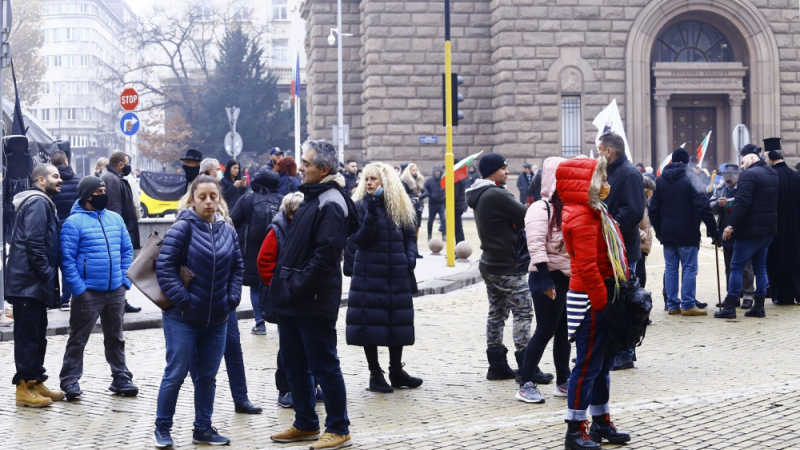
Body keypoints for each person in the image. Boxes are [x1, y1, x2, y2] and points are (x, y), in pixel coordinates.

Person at [268, 140, 358, 450]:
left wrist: (296, 286)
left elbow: (326, 255)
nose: (300, 166)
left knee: (323, 364)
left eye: (306, 163)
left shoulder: (331, 202)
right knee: (293, 363)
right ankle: (305, 422)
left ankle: (339, 427)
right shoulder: (313, 196)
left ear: (324, 169)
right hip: (295, 297)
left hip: (314, 298)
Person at [153, 175, 244, 447]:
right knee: (176, 372)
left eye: (213, 196)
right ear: (192, 199)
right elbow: (165, 268)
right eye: (202, 197)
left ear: (219, 199)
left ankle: (202, 428)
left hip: (218, 318)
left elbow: (237, 268)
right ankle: (162, 428)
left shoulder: (228, 230)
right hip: (182, 318)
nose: (208, 202)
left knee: (207, 376)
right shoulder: (183, 227)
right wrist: (185, 300)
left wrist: (232, 298)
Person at [557, 156, 631, 450]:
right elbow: (587, 267)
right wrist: (603, 305)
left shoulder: (590, 211)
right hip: (591, 299)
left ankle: (600, 422)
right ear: (585, 183)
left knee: (600, 366)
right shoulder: (584, 215)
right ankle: (575, 431)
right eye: (601, 178)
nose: (607, 184)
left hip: (598, 295)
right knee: (587, 367)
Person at [344, 162, 422, 393]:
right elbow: (359, 239)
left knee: (396, 321)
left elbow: (410, 236)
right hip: (369, 274)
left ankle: (396, 370)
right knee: (370, 323)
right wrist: (372, 211)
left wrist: (409, 258)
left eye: (373, 179)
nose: (368, 183)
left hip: (397, 273)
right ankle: (375, 374)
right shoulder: (360, 206)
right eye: (366, 179)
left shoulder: (400, 206)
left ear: (385, 182)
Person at [59, 176, 138, 401]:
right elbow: (67, 260)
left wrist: (124, 281)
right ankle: (70, 380)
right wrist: (79, 289)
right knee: (78, 338)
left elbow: (126, 251)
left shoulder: (115, 219)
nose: (104, 193)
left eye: (104, 189)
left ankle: (121, 376)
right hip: (88, 292)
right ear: (87, 195)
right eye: (99, 190)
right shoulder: (73, 223)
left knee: (116, 336)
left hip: (115, 290)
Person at [466, 153, 532, 381]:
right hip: (506, 265)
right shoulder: (495, 193)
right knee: (523, 311)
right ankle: (527, 367)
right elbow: (526, 214)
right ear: (492, 171)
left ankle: (497, 366)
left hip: (490, 263)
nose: (507, 172)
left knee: (497, 313)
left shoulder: (480, 192)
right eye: (503, 168)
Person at [6, 163, 64, 407]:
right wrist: (47, 274)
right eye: (55, 176)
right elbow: (34, 242)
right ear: (41, 180)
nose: (60, 180)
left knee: (38, 335)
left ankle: (35, 380)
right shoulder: (38, 202)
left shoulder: (42, 202)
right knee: (29, 337)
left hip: (32, 283)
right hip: (28, 283)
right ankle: (23, 387)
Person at [518, 157, 569, 404]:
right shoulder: (540, 208)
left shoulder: (566, 207)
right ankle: (525, 383)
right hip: (544, 277)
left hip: (566, 277)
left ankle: (563, 381)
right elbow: (536, 246)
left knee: (563, 332)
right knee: (545, 330)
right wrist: (547, 281)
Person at [649, 147, 718, 317]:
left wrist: (659, 231)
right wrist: (714, 230)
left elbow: (653, 210)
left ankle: (673, 304)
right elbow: (703, 206)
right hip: (688, 232)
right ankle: (687, 304)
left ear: (672, 161)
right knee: (689, 268)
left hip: (668, 233)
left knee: (671, 268)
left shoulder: (661, 180)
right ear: (687, 161)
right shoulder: (691, 178)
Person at [596, 132, 644, 370]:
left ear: (608, 151)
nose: (597, 155)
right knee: (610, 304)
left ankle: (626, 351)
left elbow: (634, 211)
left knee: (625, 302)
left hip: (623, 249)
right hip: (606, 247)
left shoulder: (630, 173)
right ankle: (610, 349)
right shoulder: (607, 173)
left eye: (599, 150)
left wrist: (608, 225)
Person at [715, 150, 779, 319]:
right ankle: (759, 306)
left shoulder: (749, 175)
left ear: (751, 159)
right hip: (767, 230)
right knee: (760, 267)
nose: (742, 166)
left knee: (736, 266)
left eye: (743, 162)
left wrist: (730, 226)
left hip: (749, 231)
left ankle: (730, 307)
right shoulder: (772, 173)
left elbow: (743, 203)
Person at [257, 192, 307, 408]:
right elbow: (264, 262)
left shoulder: (307, 228)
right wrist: (282, 286)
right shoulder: (276, 231)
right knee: (288, 345)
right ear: (288, 212)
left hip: (304, 294)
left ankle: (310, 385)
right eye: (298, 211)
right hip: (285, 296)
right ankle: (285, 388)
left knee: (307, 342)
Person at [230, 167, 284, 335]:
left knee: (255, 287)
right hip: (276, 250)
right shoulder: (281, 199)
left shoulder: (247, 199)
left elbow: (233, 221)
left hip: (250, 251)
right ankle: (280, 322)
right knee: (277, 285)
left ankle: (260, 322)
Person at [709, 164, 755, 308]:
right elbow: (710, 206)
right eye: (725, 175)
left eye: (730, 174)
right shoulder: (720, 188)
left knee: (746, 266)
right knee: (729, 266)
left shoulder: (744, 188)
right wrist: (717, 203)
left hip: (742, 232)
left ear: (738, 175)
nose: (727, 178)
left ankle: (748, 294)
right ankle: (732, 296)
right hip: (725, 232)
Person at [101, 152, 141, 313]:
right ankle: (118, 302)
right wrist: (120, 234)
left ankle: (120, 301)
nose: (129, 166)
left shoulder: (114, 178)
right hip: (119, 233)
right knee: (118, 268)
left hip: (123, 230)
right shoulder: (112, 179)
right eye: (127, 162)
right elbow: (115, 209)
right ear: (120, 165)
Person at [764, 139, 800, 305]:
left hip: (777, 228)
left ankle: (782, 295)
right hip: (794, 228)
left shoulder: (771, 176)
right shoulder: (794, 175)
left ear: (771, 157)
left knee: (779, 261)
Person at [51, 150, 81, 312]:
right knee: (72, 263)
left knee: (56, 262)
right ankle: (69, 296)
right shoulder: (79, 181)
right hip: (75, 227)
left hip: (56, 228)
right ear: (66, 162)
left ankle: (58, 299)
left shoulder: (51, 184)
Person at [400, 163, 428, 257]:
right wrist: (416, 195)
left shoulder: (419, 180)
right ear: (409, 171)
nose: (415, 172)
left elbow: (426, 192)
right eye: (413, 170)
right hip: (408, 206)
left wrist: (419, 197)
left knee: (416, 229)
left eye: (416, 170)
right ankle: (408, 251)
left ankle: (415, 251)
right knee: (409, 229)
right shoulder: (405, 181)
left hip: (418, 207)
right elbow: (403, 194)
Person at [636, 176, 656, 289]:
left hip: (642, 247)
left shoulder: (643, 202)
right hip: (638, 245)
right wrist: (642, 236)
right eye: (651, 190)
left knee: (641, 279)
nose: (652, 193)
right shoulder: (638, 201)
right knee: (640, 279)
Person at [424, 165, 445, 241]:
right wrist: (429, 195)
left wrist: (444, 195)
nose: (437, 173)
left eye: (438, 171)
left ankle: (444, 234)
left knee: (443, 219)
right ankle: (429, 234)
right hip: (432, 203)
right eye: (436, 171)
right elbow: (425, 188)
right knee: (430, 220)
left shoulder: (444, 180)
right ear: (434, 172)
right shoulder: (429, 181)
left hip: (442, 203)